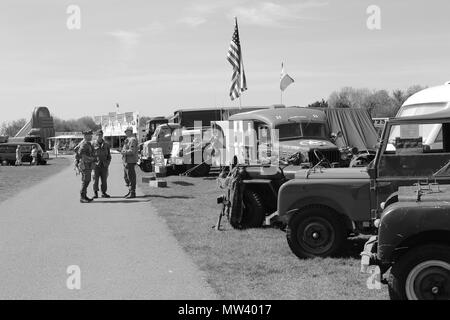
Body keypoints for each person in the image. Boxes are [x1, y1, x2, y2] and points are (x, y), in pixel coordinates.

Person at [77, 130, 96, 203]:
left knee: (87, 180)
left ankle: (84, 196)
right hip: (84, 164)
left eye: (91, 135)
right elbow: (82, 155)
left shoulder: (88, 144)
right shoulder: (84, 144)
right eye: (89, 135)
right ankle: (82, 197)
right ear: (85, 136)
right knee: (85, 180)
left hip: (88, 164)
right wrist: (91, 159)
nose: (91, 136)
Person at [92, 129, 111, 198]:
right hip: (96, 165)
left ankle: (104, 193)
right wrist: (92, 163)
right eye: (98, 135)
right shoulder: (92, 144)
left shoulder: (106, 144)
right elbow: (90, 154)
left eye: (101, 135)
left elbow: (109, 156)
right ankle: (95, 193)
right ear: (96, 135)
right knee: (95, 180)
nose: (99, 136)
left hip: (104, 165)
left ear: (102, 135)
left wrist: (107, 163)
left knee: (104, 180)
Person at [121, 127, 138, 198]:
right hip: (126, 161)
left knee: (131, 177)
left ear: (130, 131)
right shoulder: (128, 139)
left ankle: (132, 192)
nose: (125, 133)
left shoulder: (132, 140)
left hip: (130, 161)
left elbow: (132, 151)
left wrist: (123, 152)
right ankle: (130, 190)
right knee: (126, 177)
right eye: (125, 131)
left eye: (127, 131)